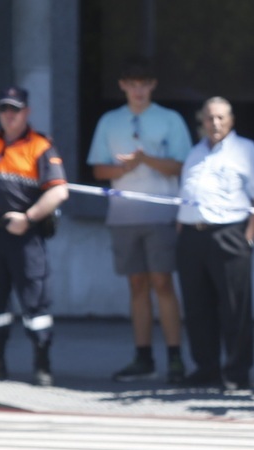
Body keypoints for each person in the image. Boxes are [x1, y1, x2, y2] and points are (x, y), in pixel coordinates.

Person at [86, 57, 192, 384]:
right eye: (132, 84)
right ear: (122, 86)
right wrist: (123, 169)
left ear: (152, 86)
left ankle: (175, 356)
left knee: (162, 281)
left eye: (144, 83)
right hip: (123, 214)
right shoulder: (109, 120)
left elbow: (181, 166)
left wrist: (145, 159)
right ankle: (143, 356)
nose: (138, 90)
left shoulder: (169, 119)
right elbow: (98, 169)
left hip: (161, 211)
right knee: (136, 285)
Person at [0, 86, 70, 387]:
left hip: (26, 237)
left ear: (27, 112)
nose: (9, 115)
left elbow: (59, 190)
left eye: (15, 109)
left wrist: (28, 218)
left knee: (35, 300)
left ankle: (41, 363)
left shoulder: (40, 146)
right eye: (4, 110)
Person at [176, 97, 254, 390]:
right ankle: (206, 368)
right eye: (209, 118)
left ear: (231, 120)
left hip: (229, 233)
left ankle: (236, 372)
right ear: (201, 120)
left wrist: (248, 237)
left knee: (234, 307)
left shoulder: (245, 149)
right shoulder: (194, 152)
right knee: (196, 306)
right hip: (192, 235)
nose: (214, 123)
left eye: (220, 118)